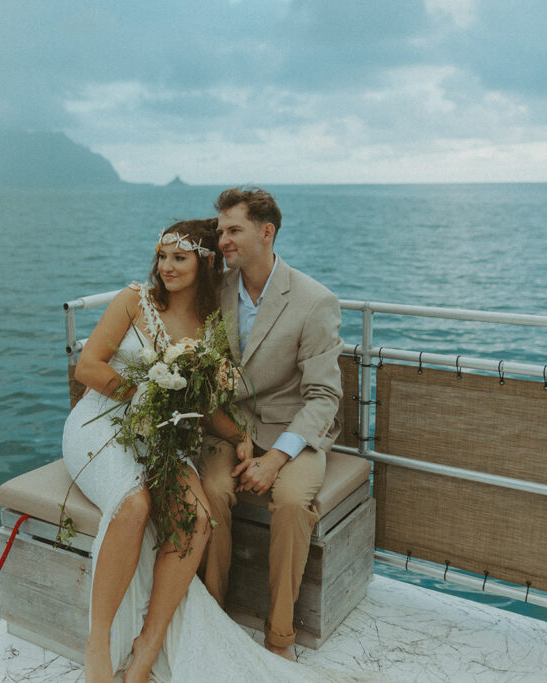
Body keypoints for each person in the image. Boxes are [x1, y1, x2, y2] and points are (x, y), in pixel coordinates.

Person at [62, 219, 346, 683]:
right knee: (134, 505)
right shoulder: (135, 300)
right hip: (101, 426)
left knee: (196, 517)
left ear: (205, 261)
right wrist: (145, 393)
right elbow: (88, 368)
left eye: (180, 257)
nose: (166, 267)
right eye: (161, 256)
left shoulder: (211, 327)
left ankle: (146, 648)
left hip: (160, 434)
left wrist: (237, 436)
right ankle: (98, 646)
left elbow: (198, 404)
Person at [198, 186, 344, 661]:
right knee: (212, 491)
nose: (223, 241)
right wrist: (235, 436)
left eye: (234, 230)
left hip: (293, 431)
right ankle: (213, 615)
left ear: (266, 232)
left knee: (290, 505)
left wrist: (277, 457)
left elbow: (324, 396)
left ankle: (279, 637)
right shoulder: (215, 292)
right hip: (231, 426)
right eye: (220, 231)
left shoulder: (314, 300)